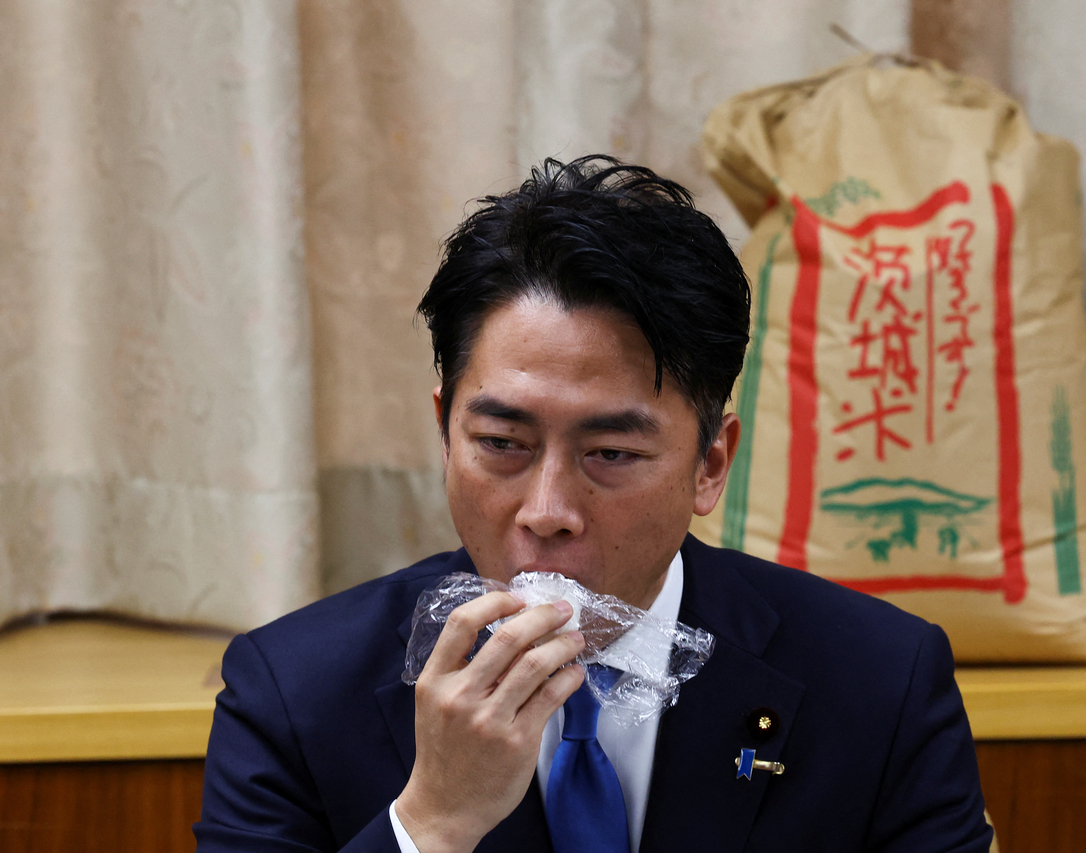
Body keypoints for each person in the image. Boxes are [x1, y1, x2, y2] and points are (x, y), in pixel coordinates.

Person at [195, 156, 993, 853]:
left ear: (711, 463)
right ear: (445, 431)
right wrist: (432, 821)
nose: (547, 510)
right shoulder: (291, 693)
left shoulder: (881, 682)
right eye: (502, 442)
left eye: (610, 453)